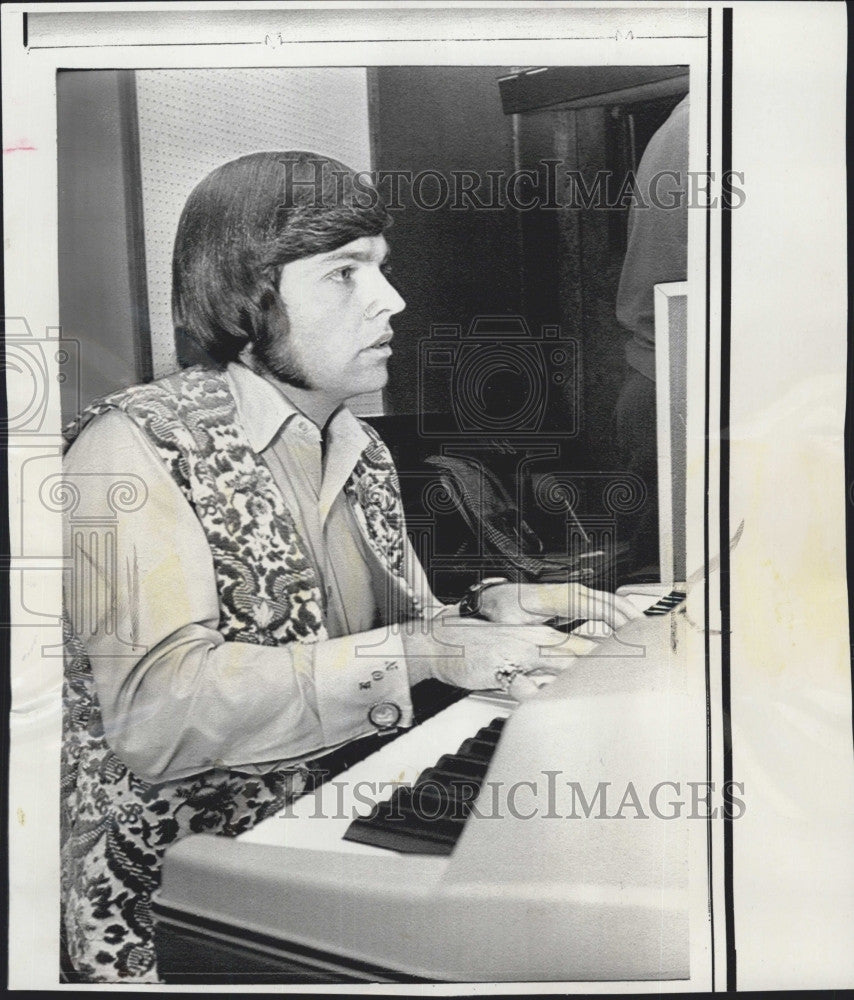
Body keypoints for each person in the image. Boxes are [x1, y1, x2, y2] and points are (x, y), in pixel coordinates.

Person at [60, 151, 641, 982]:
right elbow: (157, 716)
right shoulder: (133, 445)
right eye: (345, 273)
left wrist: (489, 607)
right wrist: (429, 649)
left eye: (383, 268)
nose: (392, 300)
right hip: (176, 906)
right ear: (249, 295)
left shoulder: (358, 445)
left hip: (332, 838)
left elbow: (398, 634)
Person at [614, 93, 689, 574]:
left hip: (663, 380)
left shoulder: (691, 116)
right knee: (665, 594)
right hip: (678, 388)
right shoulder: (720, 123)